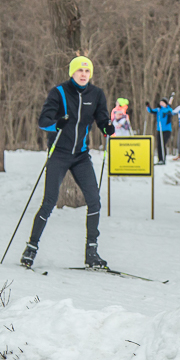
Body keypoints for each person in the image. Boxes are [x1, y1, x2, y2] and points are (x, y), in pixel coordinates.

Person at [20, 56, 114, 270]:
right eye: (79, 70)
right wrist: (56, 124)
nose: (83, 74)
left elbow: (102, 117)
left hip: (80, 155)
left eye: (87, 71)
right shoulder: (59, 92)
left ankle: (92, 252)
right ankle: (31, 248)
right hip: (59, 153)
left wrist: (106, 126)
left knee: (94, 200)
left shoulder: (97, 94)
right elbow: (43, 121)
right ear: (72, 72)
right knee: (49, 201)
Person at [146, 98, 173, 164]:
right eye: (160, 103)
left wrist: (164, 109)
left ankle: (163, 159)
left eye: (162, 103)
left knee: (163, 143)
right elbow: (151, 111)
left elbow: (168, 112)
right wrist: (148, 106)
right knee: (159, 145)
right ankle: (160, 159)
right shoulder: (158, 110)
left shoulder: (168, 109)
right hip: (159, 129)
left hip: (166, 130)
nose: (161, 104)